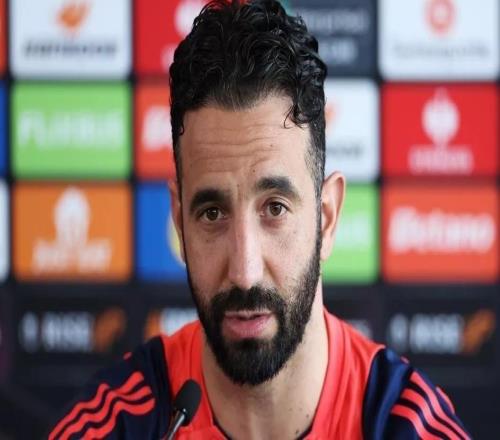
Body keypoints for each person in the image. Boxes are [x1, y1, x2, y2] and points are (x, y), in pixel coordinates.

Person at [49, 1, 470, 438]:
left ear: (326, 217)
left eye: (275, 208)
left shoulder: (409, 427)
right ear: (179, 222)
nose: (244, 272)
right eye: (212, 213)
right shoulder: (110, 426)